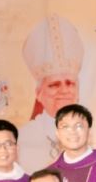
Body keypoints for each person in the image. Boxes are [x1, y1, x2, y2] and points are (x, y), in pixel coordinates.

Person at [17, 14, 85, 170]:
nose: (64, 91)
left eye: (70, 83)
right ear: (39, 94)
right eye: (54, 85)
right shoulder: (23, 138)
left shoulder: (94, 132)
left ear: (78, 90)